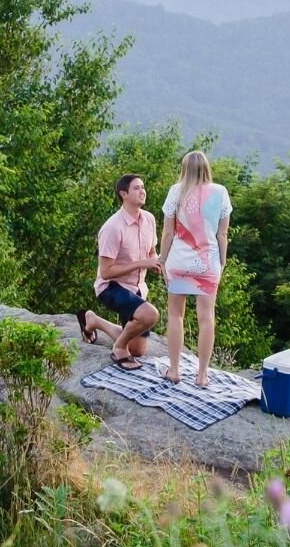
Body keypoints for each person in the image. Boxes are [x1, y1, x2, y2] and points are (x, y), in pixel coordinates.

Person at [157, 150, 231, 388]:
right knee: (206, 318)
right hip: (208, 262)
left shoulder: (175, 191)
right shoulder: (220, 193)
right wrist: (222, 260)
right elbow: (222, 234)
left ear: (184, 168)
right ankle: (202, 375)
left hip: (178, 261)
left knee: (176, 315)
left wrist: (161, 258)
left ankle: (175, 370)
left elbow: (168, 232)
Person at [76, 173, 162, 371]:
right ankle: (119, 348)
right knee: (150, 315)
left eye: (143, 187)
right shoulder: (113, 228)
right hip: (111, 287)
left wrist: (159, 264)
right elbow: (106, 272)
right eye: (136, 188)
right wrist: (142, 263)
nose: (143, 191)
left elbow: (151, 252)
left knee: (138, 349)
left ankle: (93, 320)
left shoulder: (149, 219)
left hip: (137, 288)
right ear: (124, 194)